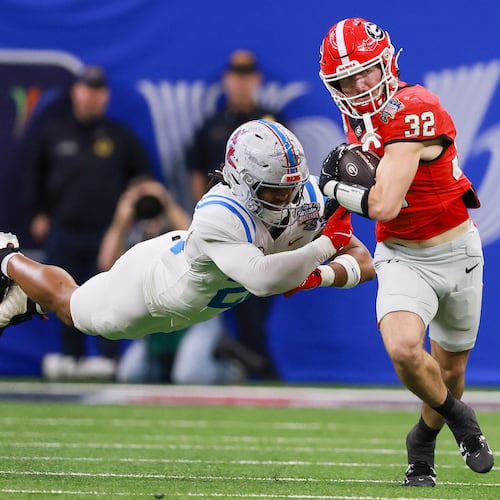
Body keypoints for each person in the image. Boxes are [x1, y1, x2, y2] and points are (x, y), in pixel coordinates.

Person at [0, 120, 376, 383]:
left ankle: (27, 299)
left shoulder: (308, 196)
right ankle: (8, 257)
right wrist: (328, 244)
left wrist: (321, 275)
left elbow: (365, 262)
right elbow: (263, 280)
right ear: (242, 180)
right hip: (151, 290)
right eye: (273, 190)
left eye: (291, 188)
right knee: (73, 307)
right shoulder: (220, 212)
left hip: (193, 296)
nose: (286, 198)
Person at [312, 17, 493, 487]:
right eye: (346, 80)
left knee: (450, 368)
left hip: (457, 251)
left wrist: (329, 187)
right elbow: (374, 212)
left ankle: (422, 442)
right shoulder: (360, 118)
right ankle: (461, 420)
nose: (358, 86)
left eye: (365, 72)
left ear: (386, 62)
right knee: (404, 348)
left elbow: (384, 202)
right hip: (401, 253)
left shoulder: (415, 106)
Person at [22, 64, 153, 380]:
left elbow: (143, 179)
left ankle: (108, 360)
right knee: (63, 295)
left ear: (105, 95)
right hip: (64, 231)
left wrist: (136, 214)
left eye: (98, 90)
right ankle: (72, 358)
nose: (92, 96)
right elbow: (31, 177)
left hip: (107, 235)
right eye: (87, 89)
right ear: (76, 92)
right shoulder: (54, 134)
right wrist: (37, 213)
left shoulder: (120, 137)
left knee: (110, 296)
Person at [186, 49, 287, 379]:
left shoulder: (272, 122)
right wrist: (207, 221)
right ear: (227, 80)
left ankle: (248, 361)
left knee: (257, 301)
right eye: (236, 76)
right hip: (226, 228)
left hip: (264, 228)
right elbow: (197, 177)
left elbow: (291, 174)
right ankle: (253, 366)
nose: (241, 84)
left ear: (256, 80)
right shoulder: (212, 127)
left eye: (247, 77)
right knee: (235, 304)